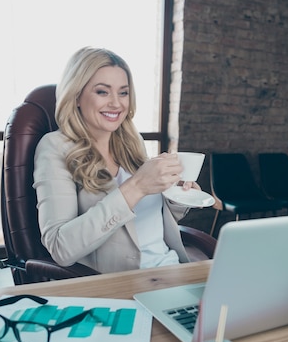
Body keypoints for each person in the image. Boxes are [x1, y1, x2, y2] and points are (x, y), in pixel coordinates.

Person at [33, 47, 200, 273]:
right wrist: (137, 186)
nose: (116, 103)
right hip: (123, 284)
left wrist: (176, 195)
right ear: (76, 96)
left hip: (171, 271)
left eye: (123, 93)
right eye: (102, 92)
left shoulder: (132, 141)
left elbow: (149, 220)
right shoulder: (55, 147)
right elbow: (61, 248)